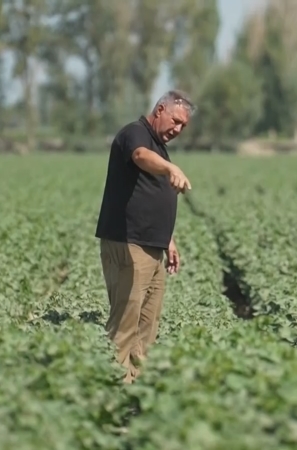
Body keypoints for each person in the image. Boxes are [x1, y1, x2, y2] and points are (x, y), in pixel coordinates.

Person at [95, 89, 195, 383]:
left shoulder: (158, 146)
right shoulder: (135, 134)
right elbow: (140, 157)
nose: (177, 129)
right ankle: (109, 391)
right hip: (130, 243)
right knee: (125, 325)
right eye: (175, 120)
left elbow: (149, 195)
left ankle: (136, 389)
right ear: (160, 109)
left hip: (152, 247)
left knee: (147, 326)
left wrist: (168, 240)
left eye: (183, 126)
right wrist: (170, 167)